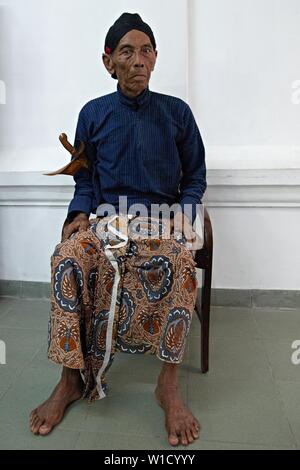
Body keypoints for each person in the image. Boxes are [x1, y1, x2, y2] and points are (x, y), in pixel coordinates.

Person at [29, 12, 207, 447]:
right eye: (126, 52)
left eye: (146, 51)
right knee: (67, 256)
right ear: (108, 62)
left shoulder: (176, 113)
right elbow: (85, 177)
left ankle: (167, 386)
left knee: (182, 263)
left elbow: (196, 176)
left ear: (155, 58)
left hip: (161, 221)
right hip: (109, 221)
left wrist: (185, 211)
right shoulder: (92, 113)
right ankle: (70, 378)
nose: (138, 61)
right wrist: (78, 211)